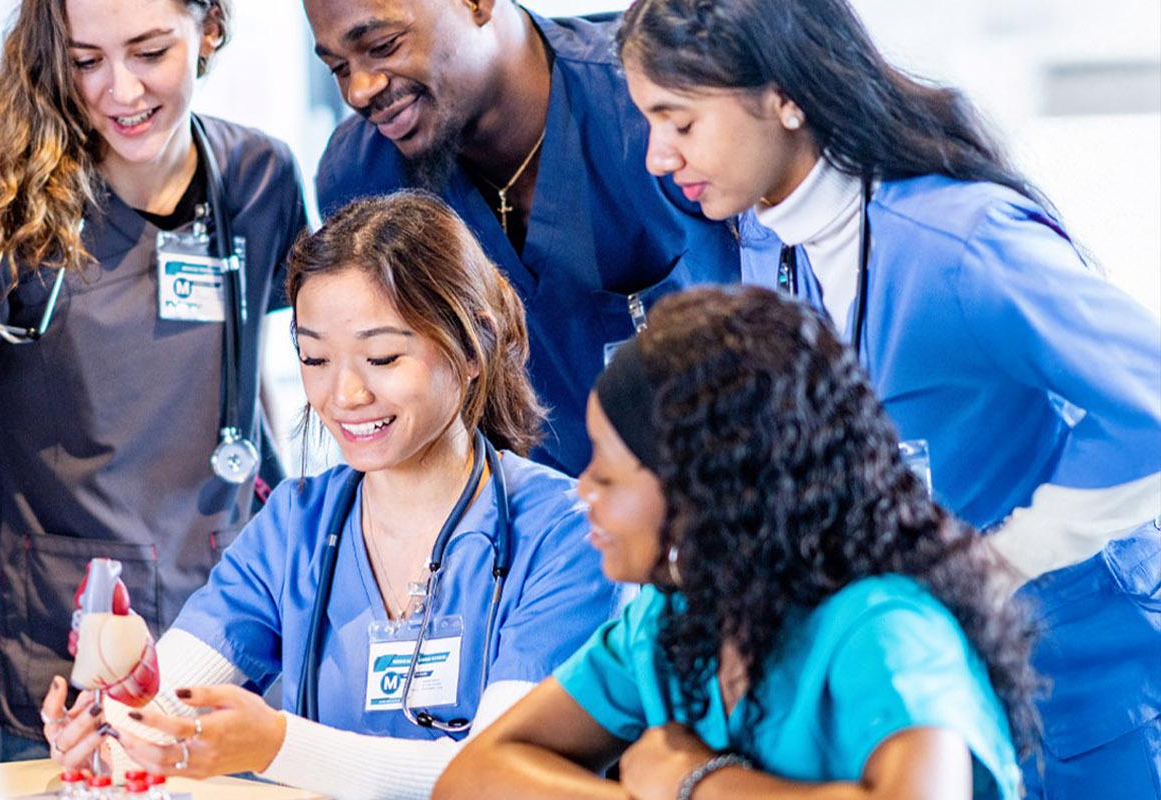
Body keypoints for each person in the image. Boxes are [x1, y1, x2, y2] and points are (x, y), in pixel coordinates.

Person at [614, 1, 1161, 793]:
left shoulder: (959, 242)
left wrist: (1002, 560)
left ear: (782, 95)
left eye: (680, 122)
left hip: (1085, 659)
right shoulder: (770, 240)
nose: (658, 156)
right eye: (649, 122)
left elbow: (1150, 402)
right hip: (946, 667)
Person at [39, 192, 623, 799]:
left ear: (473, 347)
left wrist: (277, 745)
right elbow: (163, 715)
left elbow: (503, 777)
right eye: (315, 358)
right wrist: (111, 727)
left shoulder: (568, 534)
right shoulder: (297, 524)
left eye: (381, 357)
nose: (344, 395)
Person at [0, 0, 310, 760]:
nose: (121, 90)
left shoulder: (261, 179)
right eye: (86, 61)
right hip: (70, 668)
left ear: (209, 29)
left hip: (237, 651)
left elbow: (245, 387)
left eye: (149, 53)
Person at [438, 286, 1040, 800]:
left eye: (610, 474)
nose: (583, 490)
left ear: (707, 490)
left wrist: (701, 782)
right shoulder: (671, 617)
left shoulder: (883, 626)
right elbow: (471, 778)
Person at [304, 0, 741, 474]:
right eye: (338, 69)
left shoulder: (654, 106)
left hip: (726, 487)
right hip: (519, 512)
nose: (360, 90)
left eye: (383, 46)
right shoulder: (361, 179)